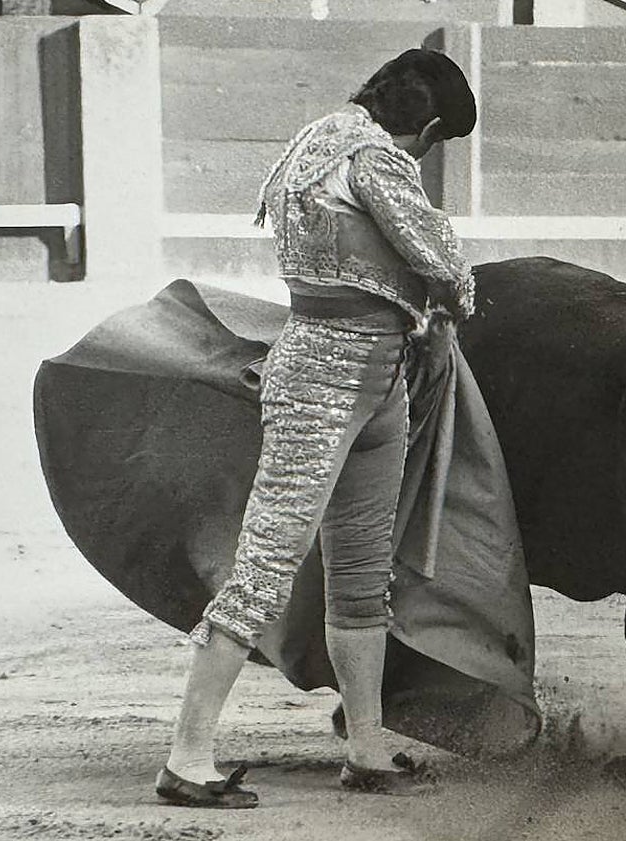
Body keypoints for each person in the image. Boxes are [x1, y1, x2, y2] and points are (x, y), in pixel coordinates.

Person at [154, 48, 478, 807]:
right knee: (268, 562)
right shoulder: (377, 160)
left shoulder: (312, 138)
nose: (426, 157)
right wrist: (449, 302)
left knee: (362, 570)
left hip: (361, 375)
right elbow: (444, 264)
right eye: (434, 143)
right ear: (426, 127)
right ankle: (187, 756)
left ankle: (367, 747)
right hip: (335, 381)